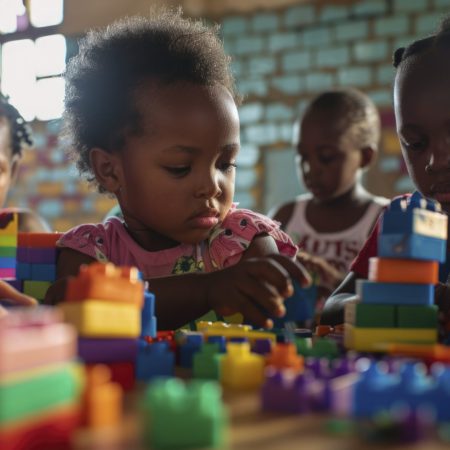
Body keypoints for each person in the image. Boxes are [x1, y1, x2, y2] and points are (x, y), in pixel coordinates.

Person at [45, 9, 310, 330]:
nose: (212, 186)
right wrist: (208, 290)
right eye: (180, 168)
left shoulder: (243, 240)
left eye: (225, 164)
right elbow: (72, 306)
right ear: (110, 170)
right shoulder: (92, 253)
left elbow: (274, 305)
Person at [321, 18, 450, 327]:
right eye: (416, 143)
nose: (437, 161)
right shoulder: (405, 220)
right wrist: (389, 298)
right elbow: (332, 308)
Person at [270, 89, 388, 303]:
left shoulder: (384, 220)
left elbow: (391, 297)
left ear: (365, 156)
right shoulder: (285, 217)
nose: (310, 169)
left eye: (326, 157)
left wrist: (338, 282)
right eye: (302, 156)